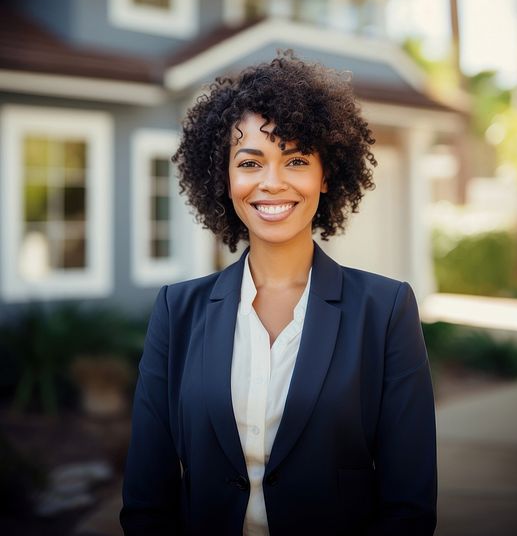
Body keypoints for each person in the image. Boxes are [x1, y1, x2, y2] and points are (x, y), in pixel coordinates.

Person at [120, 53, 437, 536]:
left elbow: (409, 506)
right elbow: (147, 500)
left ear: (325, 175)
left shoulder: (386, 310)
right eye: (250, 162)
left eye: (295, 160)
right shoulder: (176, 311)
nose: (272, 182)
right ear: (224, 178)